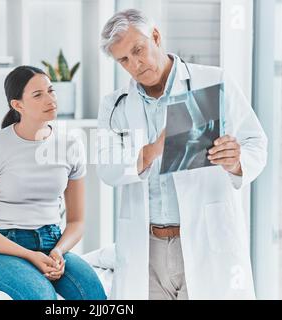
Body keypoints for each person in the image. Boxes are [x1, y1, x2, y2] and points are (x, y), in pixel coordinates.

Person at [97, 9, 267, 300]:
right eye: (123, 60)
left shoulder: (213, 82)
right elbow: (107, 170)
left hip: (205, 239)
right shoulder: (115, 105)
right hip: (146, 247)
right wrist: (153, 149)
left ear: (156, 36)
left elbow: (256, 143)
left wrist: (236, 161)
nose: (135, 64)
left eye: (138, 50)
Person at [0, 65, 106, 300]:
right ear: (17, 105)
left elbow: (77, 220)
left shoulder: (71, 146)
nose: (50, 99)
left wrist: (59, 251)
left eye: (51, 91)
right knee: (42, 296)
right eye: (38, 95)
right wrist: (30, 256)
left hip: (52, 244)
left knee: (93, 296)